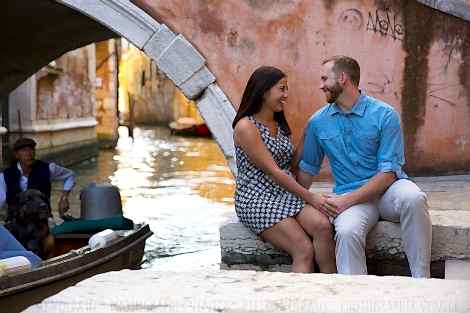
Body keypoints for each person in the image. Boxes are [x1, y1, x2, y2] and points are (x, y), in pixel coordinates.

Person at [297, 55, 432, 277]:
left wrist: (343, 202)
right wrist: (291, 206)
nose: (320, 86)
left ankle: (421, 280)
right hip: (352, 196)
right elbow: (307, 171)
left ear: (342, 78)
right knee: (347, 231)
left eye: (324, 78)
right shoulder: (317, 122)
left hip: (388, 192)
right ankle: (355, 298)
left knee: (414, 198)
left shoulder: (384, 115)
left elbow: (388, 174)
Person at [232, 66, 336, 273]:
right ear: (263, 91)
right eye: (282, 89)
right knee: (303, 248)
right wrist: (311, 197)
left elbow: (289, 164)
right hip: (256, 197)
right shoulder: (246, 127)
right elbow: (274, 172)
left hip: (283, 194)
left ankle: (332, 289)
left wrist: (309, 131)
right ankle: (296, 303)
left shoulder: (277, 122)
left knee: (323, 227)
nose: (286, 95)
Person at [0, 137, 76, 224]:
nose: (29, 153)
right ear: (16, 155)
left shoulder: (48, 168)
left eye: (32, 149)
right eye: (24, 150)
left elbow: (70, 175)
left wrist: (64, 198)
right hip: (16, 223)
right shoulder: (5, 176)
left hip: (43, 222)